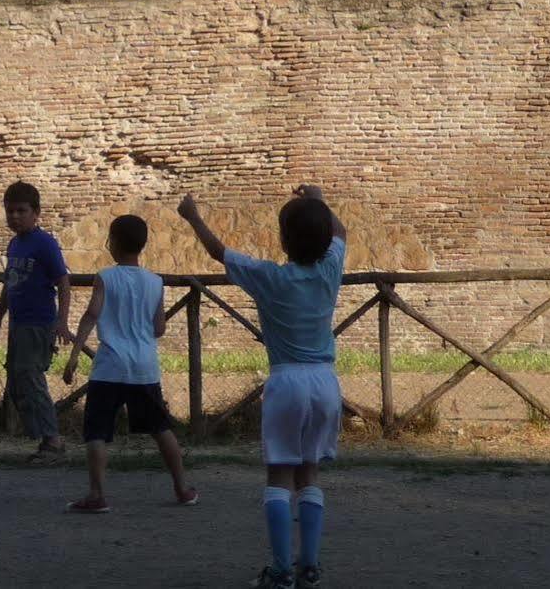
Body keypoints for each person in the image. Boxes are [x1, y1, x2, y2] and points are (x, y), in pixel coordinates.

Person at [178, 185, 347, 589]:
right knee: (310, 474)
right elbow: (342, 234)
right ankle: (310, 566)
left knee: (278, 477)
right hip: (325, 380)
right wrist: (320, 202)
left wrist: (193, 217)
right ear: (323, 241)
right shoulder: (329, 271)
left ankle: (280, 570)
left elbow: (220, 253)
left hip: (287, 379)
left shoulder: (269, 277)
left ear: (283, 240)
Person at [61, 213, 197, 513]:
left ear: (113, 243)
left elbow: (92, 315)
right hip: (143, 367)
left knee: (97, 432)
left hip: (109, 366)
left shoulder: (106, 277)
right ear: (143, 245)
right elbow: (159, 328)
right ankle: (182, 488)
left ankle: (97, 494)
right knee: (161, 429)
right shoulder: (155, 281)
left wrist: (74, 355)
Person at [0, 179, 73, 460]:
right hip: (18, 323)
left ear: (36, 213)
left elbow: (64, 282)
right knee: (20, 379)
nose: (15, 217)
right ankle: (42, 436)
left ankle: (52, 439)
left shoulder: (45, 243)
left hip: (38, 321)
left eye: (21, 211)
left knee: (31, 379)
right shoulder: (14, 245)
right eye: (10, 211)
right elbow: (10, 284)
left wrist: (62, 321)